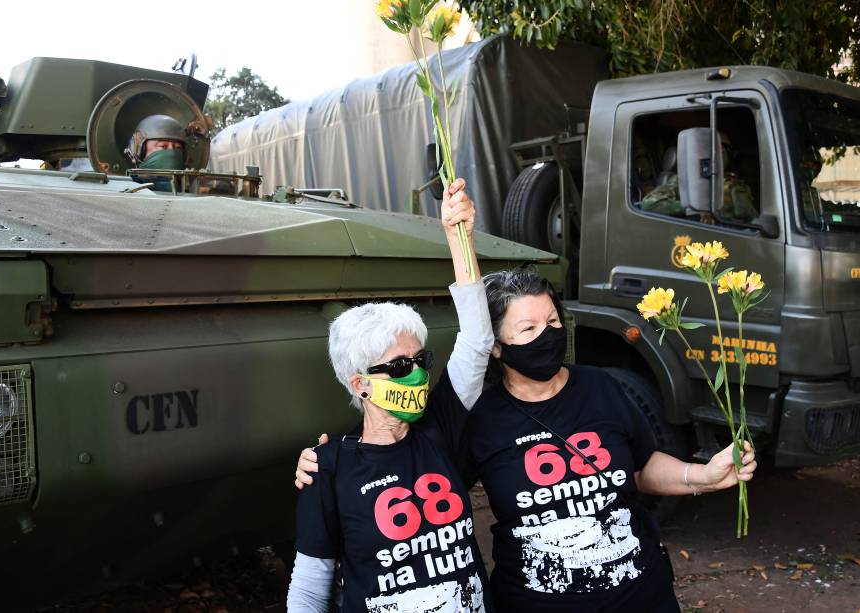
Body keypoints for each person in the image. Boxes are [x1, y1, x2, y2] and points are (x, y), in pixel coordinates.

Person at [296, 266, 758, 612]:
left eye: (553, 322)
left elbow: (637, 468)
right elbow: (396, 474)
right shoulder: (475, 421)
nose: (548, 336)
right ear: (499, 346)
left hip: (641, 595)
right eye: (529, 329)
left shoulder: (600, 386)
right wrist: (327, 463)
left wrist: (704, 475)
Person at [287, 178, 496, 613]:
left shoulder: (441, 429)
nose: (417, 375)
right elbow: (309, 588)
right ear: (359, 383)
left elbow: (477, 339)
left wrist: (459, 239)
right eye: (401, 366)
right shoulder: (327, 468)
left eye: (422, 360)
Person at [640, 132, 759, 223]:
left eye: (724, 149)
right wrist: (694, 208)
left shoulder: (734, 185)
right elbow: (650, 205)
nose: (720, 152)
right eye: (716, 148)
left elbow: (755, 223)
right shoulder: (685, 180)